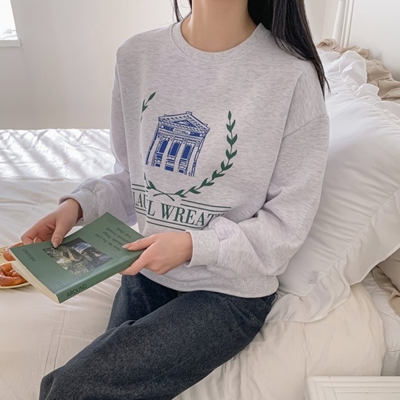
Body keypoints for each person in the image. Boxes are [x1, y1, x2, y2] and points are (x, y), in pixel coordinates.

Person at [23, 0, 330, 399]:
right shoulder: (136, 56)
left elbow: (285, 228)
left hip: (229, 294)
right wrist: (80, 206)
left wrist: (191, 246)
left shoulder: (292, 77)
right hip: (145, 274)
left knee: (70, 388)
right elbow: (134, 176)